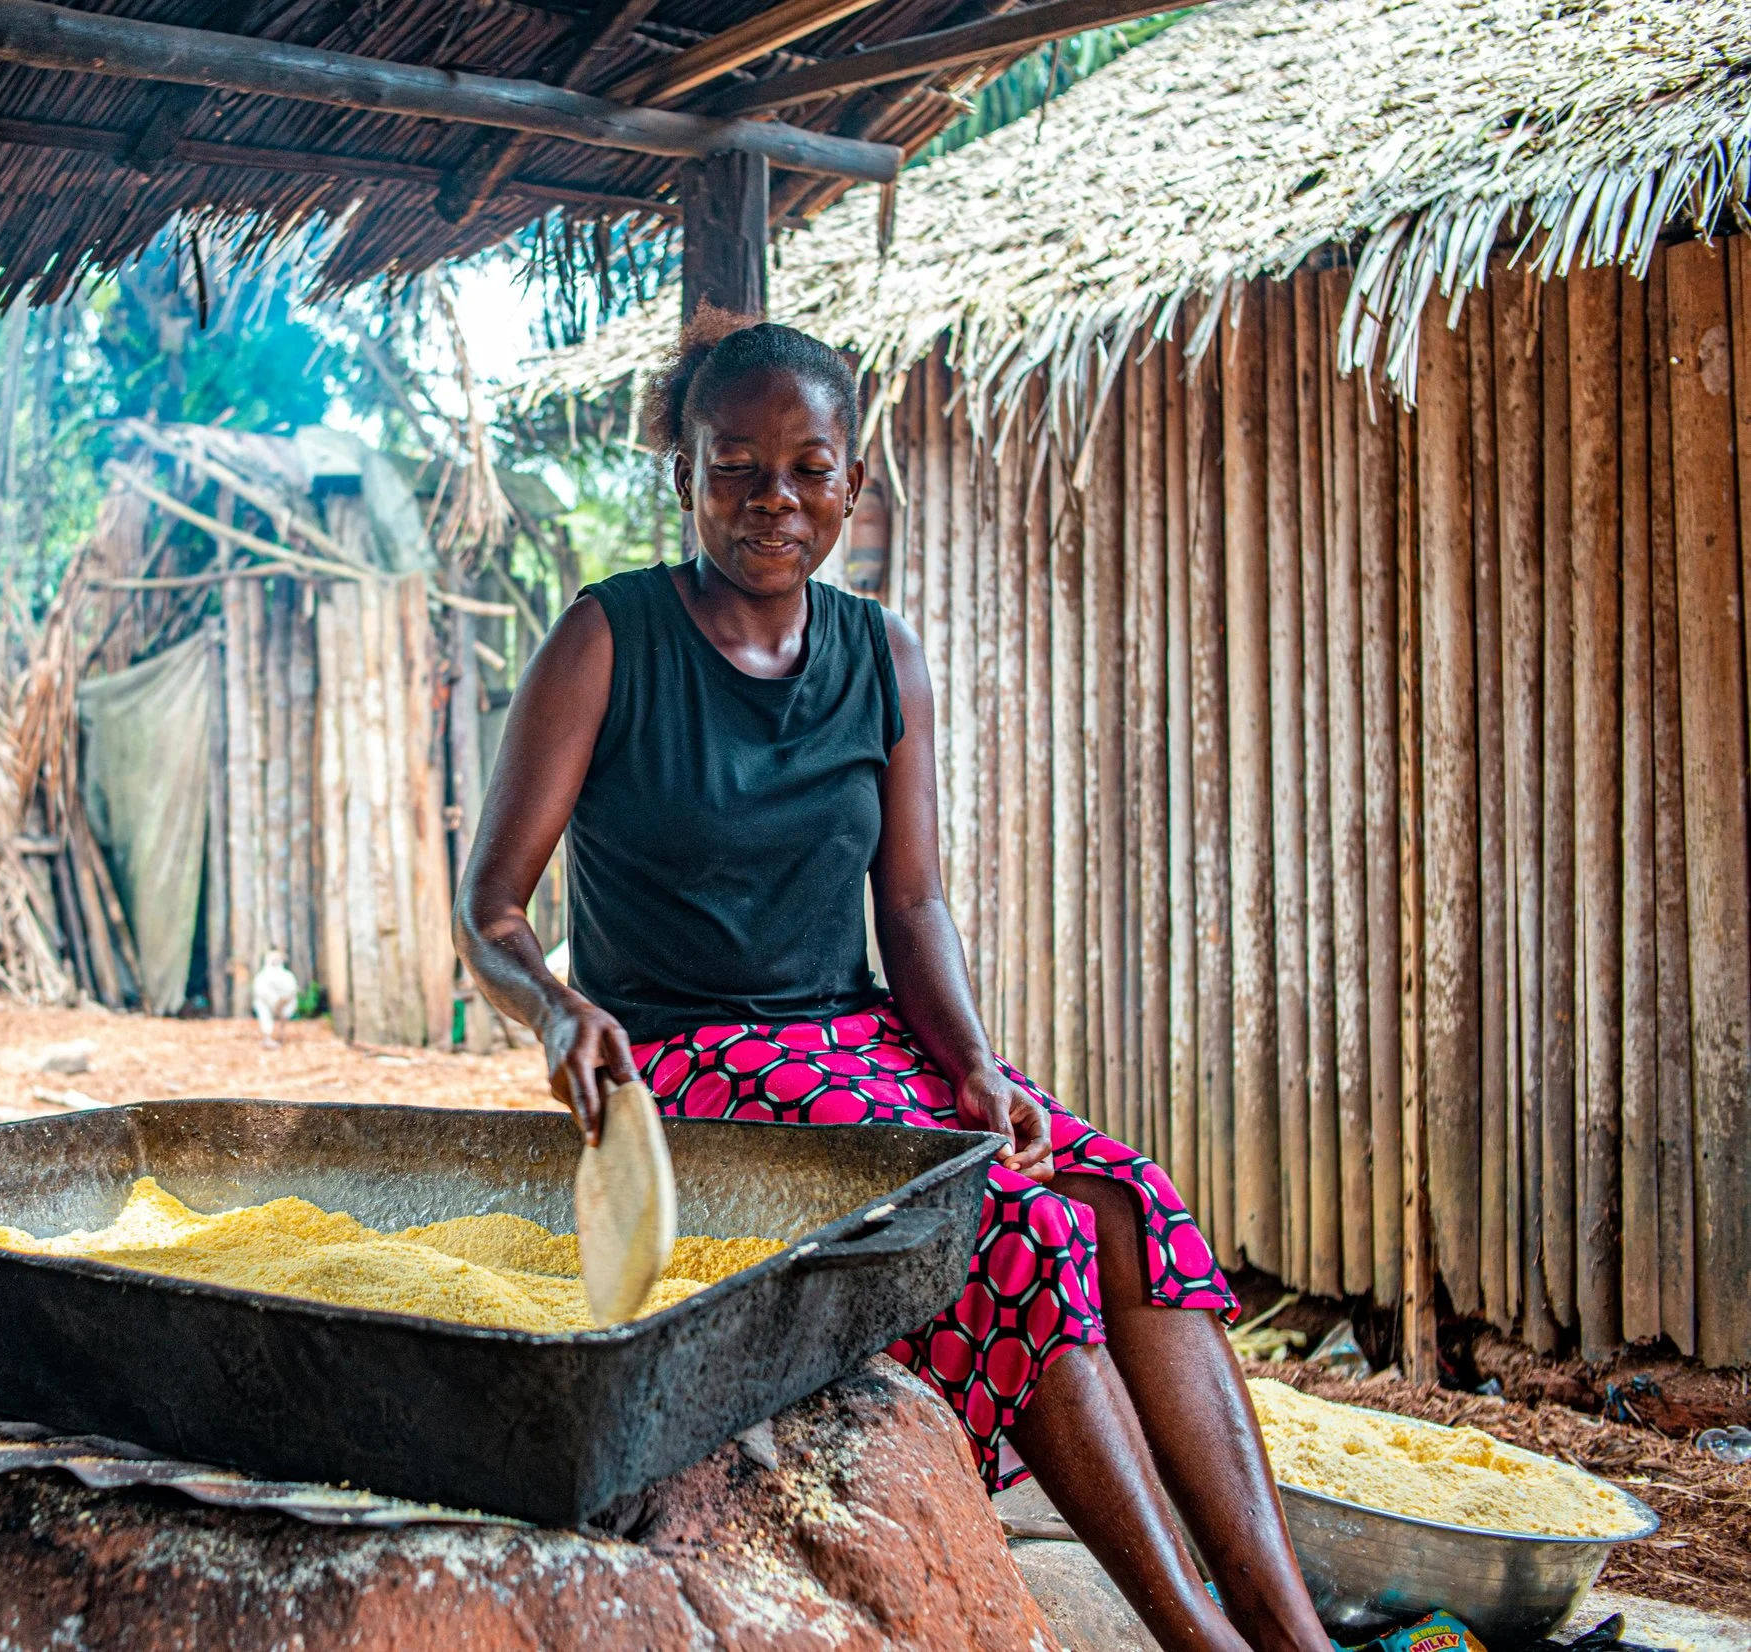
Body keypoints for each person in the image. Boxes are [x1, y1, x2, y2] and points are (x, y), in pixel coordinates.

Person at [455, 313, 1333, 1652]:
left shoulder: (881, 655)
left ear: (853, 484)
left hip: (864, 1045)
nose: (775, 500)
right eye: (735, 467)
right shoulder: (608, 639)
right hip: (691, 1069)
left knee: (1125, 1203)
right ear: (682, 476)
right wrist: (558, 1007)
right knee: (1015, 1240)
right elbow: (491, 906)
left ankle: (1289, 1628)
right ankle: (1200, 1643)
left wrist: (976, 1064)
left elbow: (912, 905)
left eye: (809, 468)